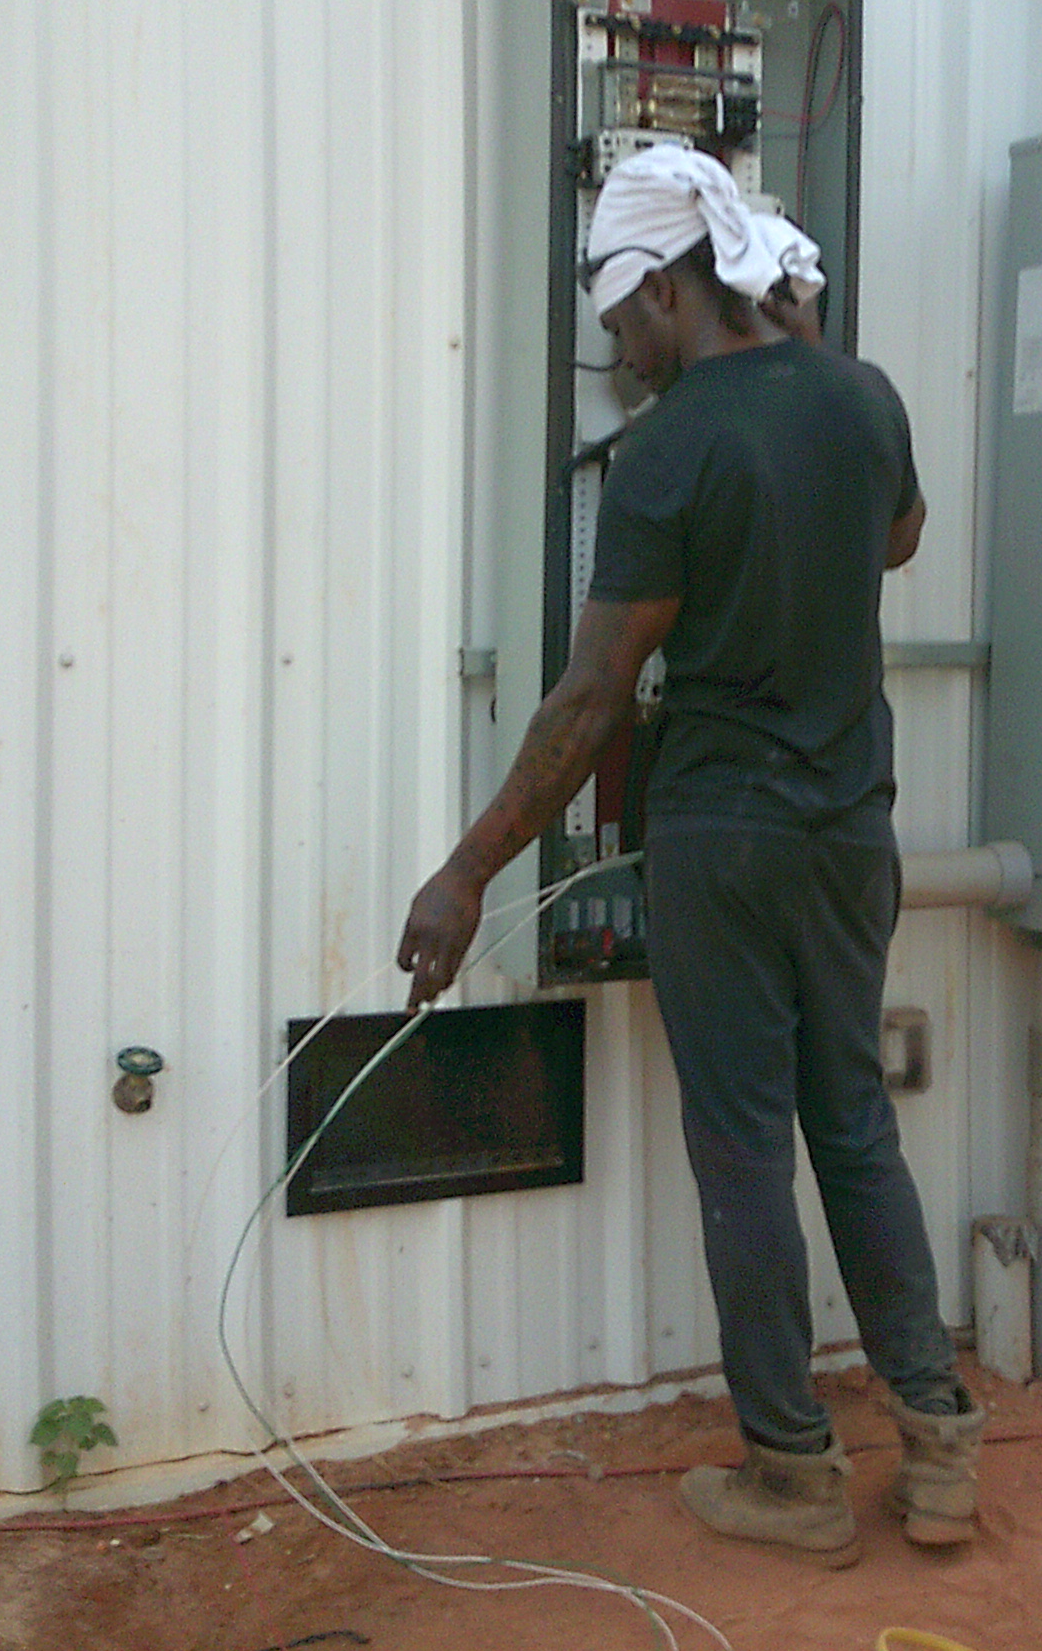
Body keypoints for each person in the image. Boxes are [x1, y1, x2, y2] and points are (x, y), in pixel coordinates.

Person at [395, 146, 983, 1567]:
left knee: (743, 1151)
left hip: (726, 842)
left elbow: (591, 700)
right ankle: (940, 1447)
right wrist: (806, 362)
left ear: (667, 286)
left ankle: (794, 1472)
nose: (621, 358)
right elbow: (899, 539)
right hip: (852, 831)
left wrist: (469, 871)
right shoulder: (863, 396)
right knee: (855, 1126)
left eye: (622, 326)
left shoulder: (666, 453)